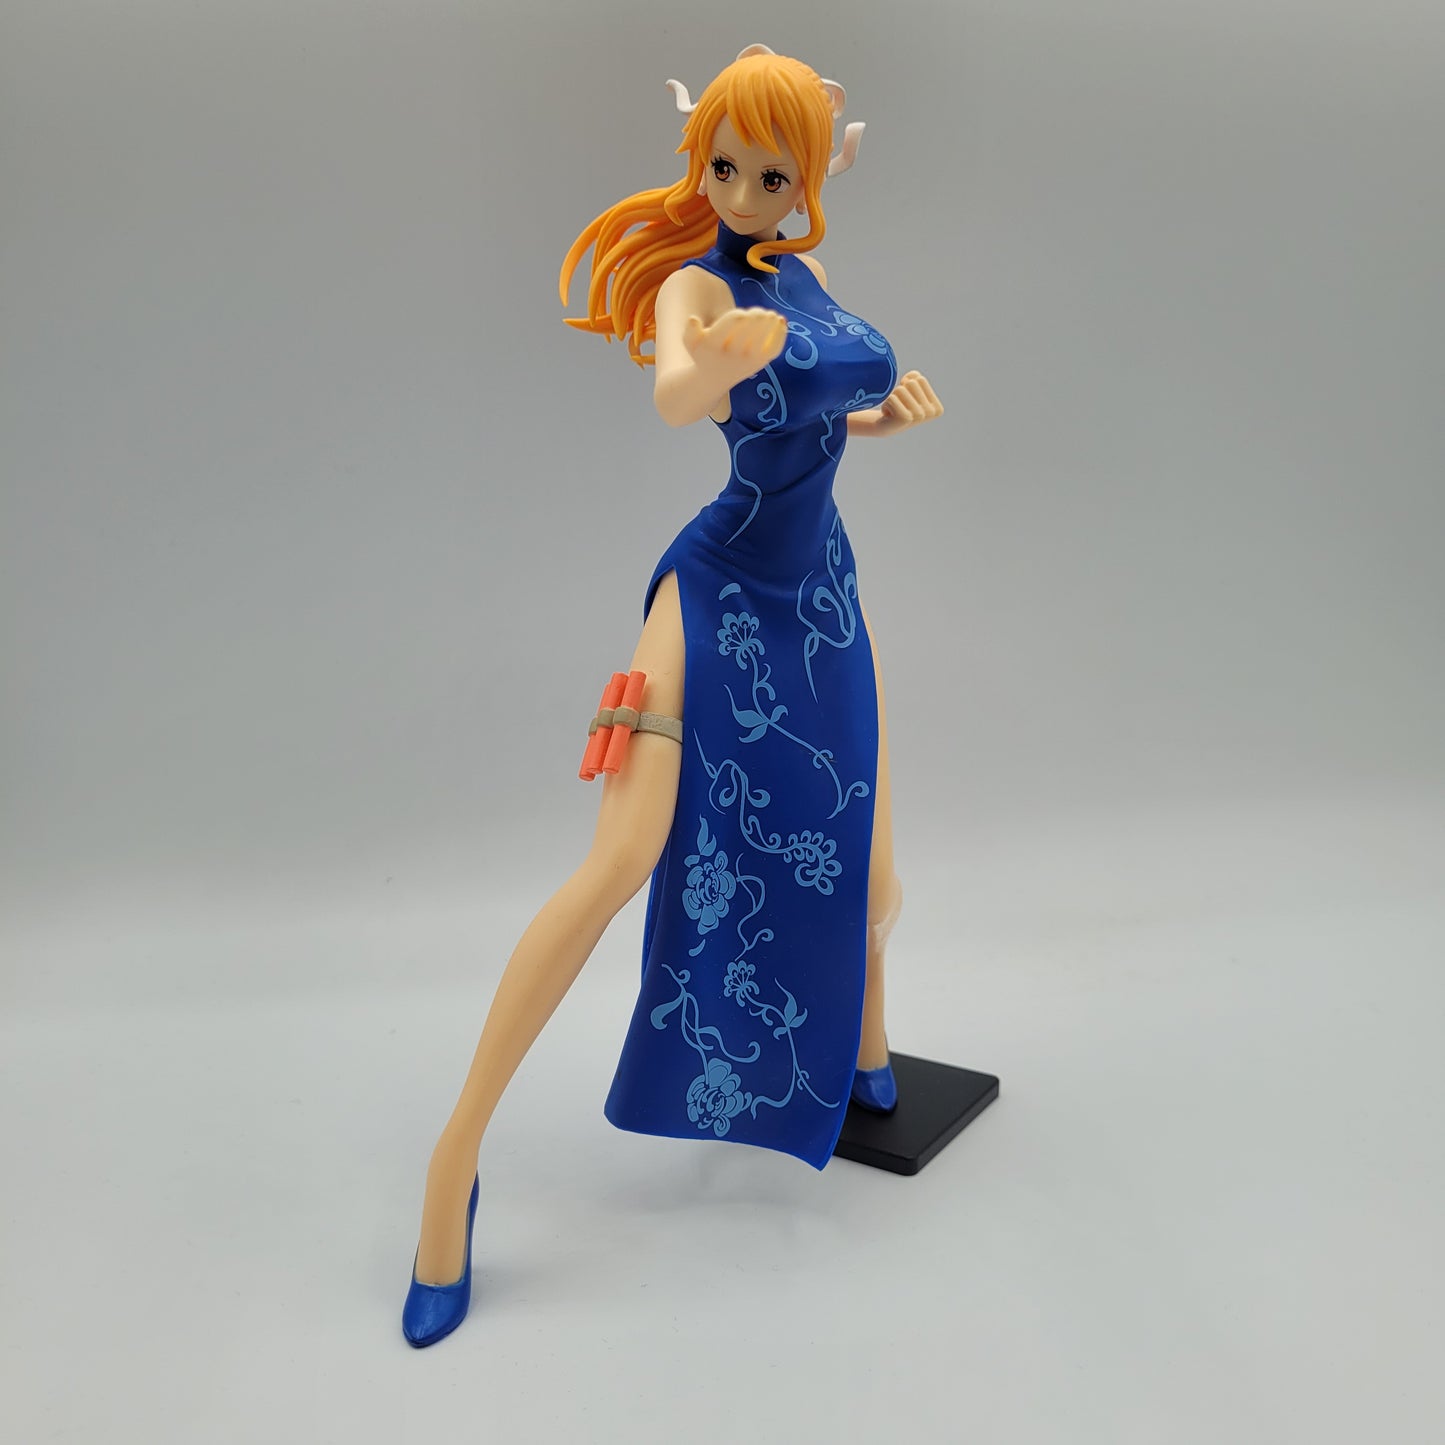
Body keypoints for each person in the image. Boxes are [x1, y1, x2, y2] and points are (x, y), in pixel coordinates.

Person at [402, 44, 943, 1348]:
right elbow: (677, 394)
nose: (743, 195)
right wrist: (717, 360)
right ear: (698, 163)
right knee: (617, 862)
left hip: (821, 597)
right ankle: (450, 1162)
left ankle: (865, 1057)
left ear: (813, 179)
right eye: (724, 169)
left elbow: (811, 419)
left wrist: (884, 419)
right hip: (714, 599)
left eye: (772, 176)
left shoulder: (802, 279)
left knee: (872, 873)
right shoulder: (699, 288)